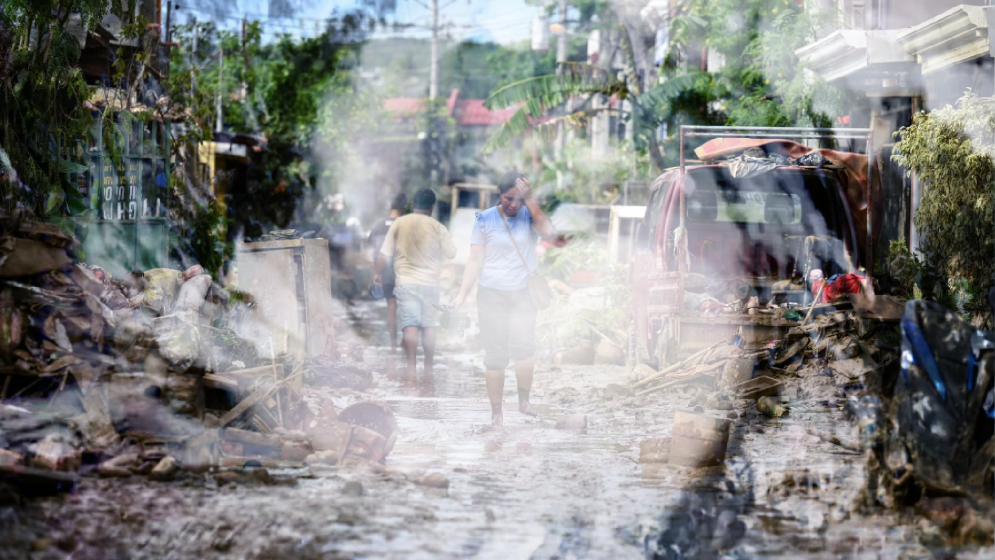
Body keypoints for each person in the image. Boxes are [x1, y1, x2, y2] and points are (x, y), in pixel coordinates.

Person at [450, 172, 555, 426]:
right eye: (509, 198)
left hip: (523, 294)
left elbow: (549, 232)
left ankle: (524, 401)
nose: (513, 204)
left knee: (525, 347)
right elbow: (475, 260)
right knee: (495, 354)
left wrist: (530, 200)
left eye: (518, 199)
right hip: (491, 295)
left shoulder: (529, 215)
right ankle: (496, 413)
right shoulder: (484, 219)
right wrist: (462, 294)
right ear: (500, 194)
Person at [374, 188, 456, 376]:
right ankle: (428, 366)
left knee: (409, 322)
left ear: (412, 204)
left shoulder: (399, 223)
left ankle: (411, 366)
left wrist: (377, 272)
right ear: (432, 207)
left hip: (406, 281)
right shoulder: (437, 226)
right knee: (429, 324)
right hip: (431, 283)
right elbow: (451, 252)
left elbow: (385, 254)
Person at [368, 193, 408, 351]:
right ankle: (406, 340)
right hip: (404, 272)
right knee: (406, 307)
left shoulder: (379, 224)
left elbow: (373, 247)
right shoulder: (406, 224)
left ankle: (392, 343)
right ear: (404, 206)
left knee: (391, 306)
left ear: (390, 205)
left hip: (385, 271)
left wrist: (376, 271)